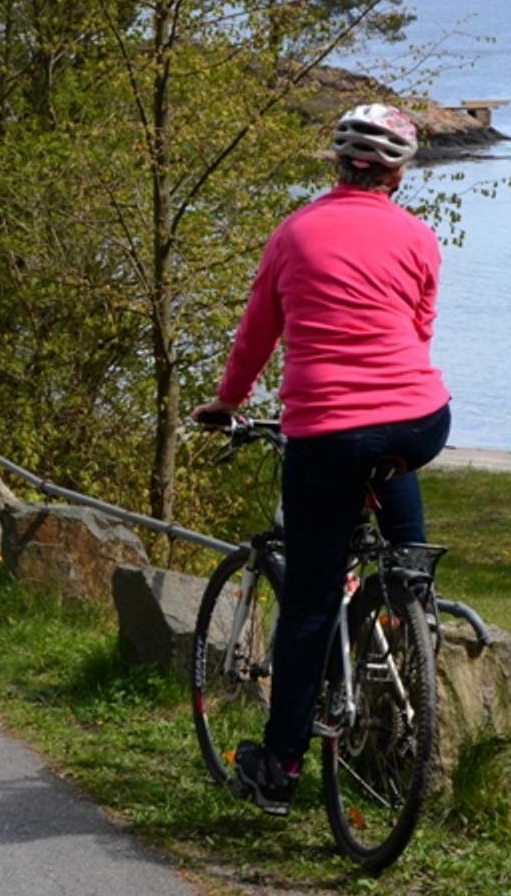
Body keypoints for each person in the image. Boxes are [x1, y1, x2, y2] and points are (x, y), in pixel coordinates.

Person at [192, 102, 452, 815]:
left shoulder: (294, 233)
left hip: (330, 430)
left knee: (308, 602)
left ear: (338, 164)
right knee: (394, 506)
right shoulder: (421, 239)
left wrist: (227, 400)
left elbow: (257, 332)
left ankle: (278, 769)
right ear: (397, 175)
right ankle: (413, 595)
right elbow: (418, 330)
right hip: (420, 421)